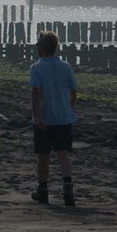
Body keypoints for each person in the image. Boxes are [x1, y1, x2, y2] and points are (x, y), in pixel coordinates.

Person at [29, 30, 79, 206]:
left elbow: (36, 93)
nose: (37, 47)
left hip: (45, 118)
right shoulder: (66, 67)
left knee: (43, 156)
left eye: (38, 45)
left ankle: (43, 190)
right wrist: (68, 107)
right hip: (64, 118)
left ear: (42, 47)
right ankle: (68, 187)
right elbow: (73, 92)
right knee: (63, 154)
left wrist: (36, 115)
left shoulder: (36, 67)